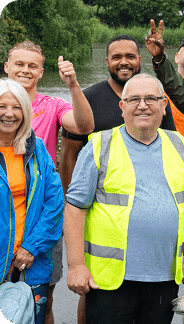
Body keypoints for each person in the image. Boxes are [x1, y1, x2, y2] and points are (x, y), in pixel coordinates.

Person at [64, 74, 184, 323]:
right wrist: (75, 266)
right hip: (110, 280)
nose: (142, 105)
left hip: (164, 277)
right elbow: (74, 208)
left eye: (151, 98)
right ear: (122, 106)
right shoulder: (100, 145)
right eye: (134, 99)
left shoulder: (180, 144)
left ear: (164, 105)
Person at [3, 40, 94, 324]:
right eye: (19, 64)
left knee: (40, 303)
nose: (25, 70)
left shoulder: (51, 107)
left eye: (33, 66)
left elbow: (84, 126)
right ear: (7, 66)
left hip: (40, 222)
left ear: (42, 72)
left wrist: (73, 85)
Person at [0, 78, 65, 324]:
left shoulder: (36, 149)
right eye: (2, 106)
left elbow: (54, 203)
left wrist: (31, 247)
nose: (9, 113)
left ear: (25, 112)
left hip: (29, 263)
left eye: (16, 107)